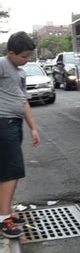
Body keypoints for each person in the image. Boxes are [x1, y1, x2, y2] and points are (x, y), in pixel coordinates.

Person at [0, 31, 40, 238]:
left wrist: (33, 127)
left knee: (9, 172)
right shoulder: (2, 64)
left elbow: (24, 102)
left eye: (29, 56)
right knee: (11, 172)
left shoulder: (20, 72)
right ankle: (3, 219)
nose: (27, 60)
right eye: (24, 56)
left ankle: (5, 212)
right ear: (12, 53)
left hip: (14, 124)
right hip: (3, 124)